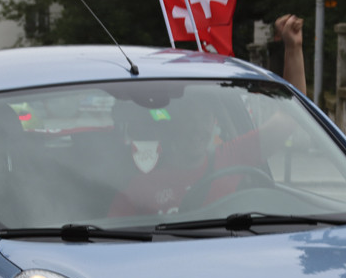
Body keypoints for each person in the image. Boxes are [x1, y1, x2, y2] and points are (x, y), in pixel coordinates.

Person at [109, 14, 308, 217]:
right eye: (189, 119)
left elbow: (288, 119)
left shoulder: (232, 157)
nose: (197, 129)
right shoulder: (139, 189)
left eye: (204, 119)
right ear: (172, 125)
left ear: (213, 122)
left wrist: (293, 49)